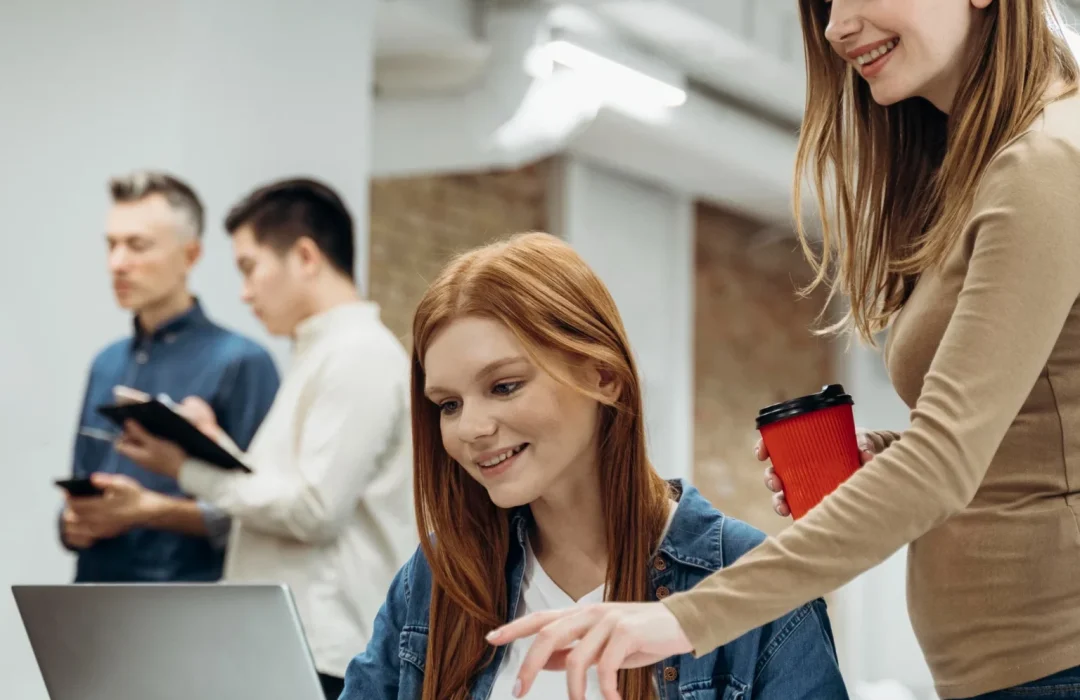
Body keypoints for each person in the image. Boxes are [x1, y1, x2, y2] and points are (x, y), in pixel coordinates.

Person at [488, 2, 1080, 700]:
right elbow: (1028, 431)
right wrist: (882, 457)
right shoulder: (989, 168)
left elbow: (945, 462)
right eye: (824, 5)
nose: (834, 29)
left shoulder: (1047, 164)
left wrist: (682, 618)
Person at [339, 232, 849, 700]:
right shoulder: (437, 580)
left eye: (504, 386)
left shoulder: (754, 585)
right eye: (448, 405)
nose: (471, 428)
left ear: (604, 376)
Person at [115, 178, 416, 700]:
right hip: (292, 643)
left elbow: (315, 511)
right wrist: (211, 445)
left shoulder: (359, 354)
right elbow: (288, 489)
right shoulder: (321, 353)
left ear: (304, 256)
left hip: (327, 650)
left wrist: (186, 469)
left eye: (249, 267)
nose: (244, 292)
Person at [60, 170, 279, 583]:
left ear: (190, 255)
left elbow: (259, 513)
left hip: (188, 607)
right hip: (94, 601)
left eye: (137, 246)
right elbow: (82, 485)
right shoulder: (105, 363)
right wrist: (72, 522)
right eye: (111, 245)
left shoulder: (243, 363)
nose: (117, 263)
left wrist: (150, 511)